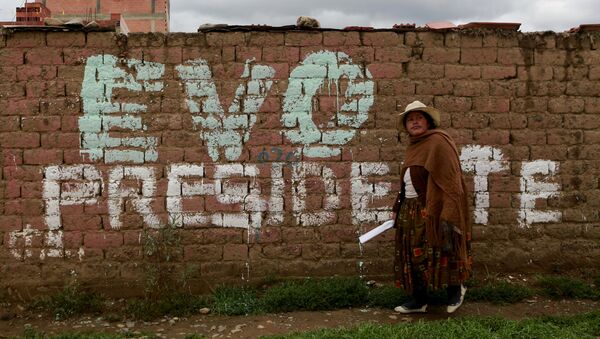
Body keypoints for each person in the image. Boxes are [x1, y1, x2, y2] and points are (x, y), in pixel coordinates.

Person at [391, 100, 472, 314]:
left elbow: (450, 178)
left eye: (419, 118)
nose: (415, 122)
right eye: (410, 119)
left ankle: (455, 291)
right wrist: (397, 206)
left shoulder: (439, 142)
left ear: (428, 122)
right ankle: (419, 300)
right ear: (406, 126)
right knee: (414, 254)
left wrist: (448, 210)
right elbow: (408, 179)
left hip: (433, 208)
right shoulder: (414, 146)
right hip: (411, 208)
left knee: (443, 249)